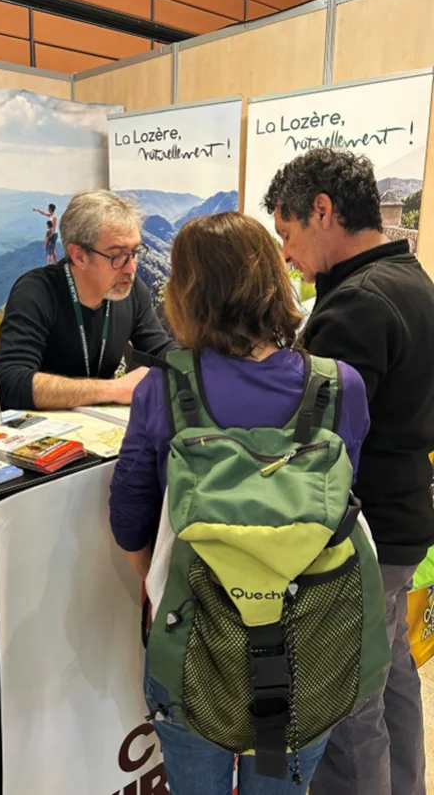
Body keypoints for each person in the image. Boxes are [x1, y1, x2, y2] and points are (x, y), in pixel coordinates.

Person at [109, 212, 371, 795]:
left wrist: (163, 582)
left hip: (193, 640)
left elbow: (129, 522)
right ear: (274, 282)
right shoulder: (338, 386)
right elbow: (344, 500)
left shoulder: (162, 388)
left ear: (185, 295)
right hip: (310, 641)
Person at [264, 148, 434, 795]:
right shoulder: (411, 279)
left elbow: (316, 445)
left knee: (346, 708)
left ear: (323, 211)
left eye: (287, 234)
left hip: (359, 533)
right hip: (403, 520)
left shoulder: (356, 306)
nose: (287, 256)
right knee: (391, 682)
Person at [0, 190, 173, 410]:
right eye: (117, 255)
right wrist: (113, 389)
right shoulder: (36, 292)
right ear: (79, 256)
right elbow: (9, 382)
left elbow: (163, 352)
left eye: (134, 252)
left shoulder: (132, 291)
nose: (131, 268)